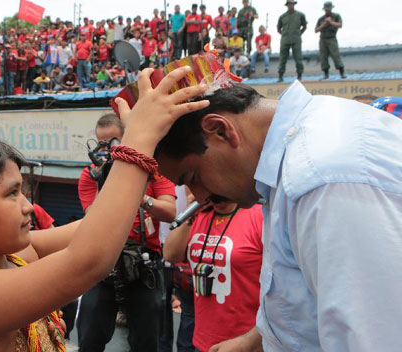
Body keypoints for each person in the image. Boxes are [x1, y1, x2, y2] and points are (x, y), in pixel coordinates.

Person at [0, 67, 207, 351]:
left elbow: (94, 229)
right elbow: (88, 260)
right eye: (12, 194)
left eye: (23, 191)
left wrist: (141, 144)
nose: (28, 206)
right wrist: (139, 137)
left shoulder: (16, 255)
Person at [148, 70, 402, 349]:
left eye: (193, 177)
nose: (201, 197)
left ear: (220, 130)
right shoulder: (304, 155)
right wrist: (253, 341)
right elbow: (308, 301)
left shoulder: (321, 181)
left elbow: (373, 338)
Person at [77, 114, 177, 352]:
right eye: (101, 143)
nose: (106, 149)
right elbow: (93, 218)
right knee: (89, 337)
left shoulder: (151, 170)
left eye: (113, 142)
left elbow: (169, 211)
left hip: (144, 264)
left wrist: (139, 195)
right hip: (103, 263)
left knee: (147, 340)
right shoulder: (91, 174)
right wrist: (108, 181)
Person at [164, 194, 263, 351]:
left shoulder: (258, 215)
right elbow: (171, 254)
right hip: (203, 339)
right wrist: (190, 213)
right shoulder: (199, 215)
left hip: (246, 341)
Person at [277, 0, 307, 82]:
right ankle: (280, 76)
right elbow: (278, 29)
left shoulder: (300, 15)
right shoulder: (282, 16)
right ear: (287, 5)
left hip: (296, 39)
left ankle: (299, 75)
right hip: (285, 39)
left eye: (292, 3)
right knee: (283, 58)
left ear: (294, 4)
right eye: (289, 4)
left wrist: (298, 34)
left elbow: (304, 26)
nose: (291, 5)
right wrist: (284, 34)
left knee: (298, 58)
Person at [315, 1, 346, 79]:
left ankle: (342, 72)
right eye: (326, 9)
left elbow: (340, 25)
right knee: (323, 56)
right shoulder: (321, 19)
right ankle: (326, 74)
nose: (327, 11)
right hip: (323, 39)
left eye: (329, 9)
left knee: (335, 55)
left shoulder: (336, 16)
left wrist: (331, 22)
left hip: (332, 38)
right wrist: (324, 24)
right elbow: (316, 30)